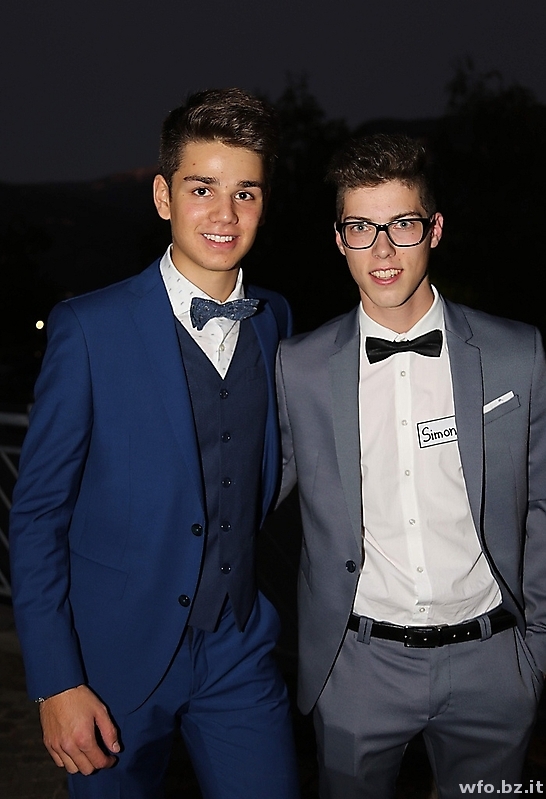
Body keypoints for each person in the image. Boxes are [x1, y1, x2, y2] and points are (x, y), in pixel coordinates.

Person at [9, 88, 300, 799]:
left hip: (239, 645)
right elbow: (38, 516)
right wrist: (56, 680)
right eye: (203, 189)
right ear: (164, 196)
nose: (225, 214)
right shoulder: (88, 329)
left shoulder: (276, 319)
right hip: (113, 663)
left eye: (245, 193)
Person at [275, 132, 546, 798]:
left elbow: (542, 505)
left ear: (435, 229)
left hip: (494, 665)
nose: (383, 250)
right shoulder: (298, 368)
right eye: (361, 228)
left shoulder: (517, 354)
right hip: (358, 669)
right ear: (339, 239)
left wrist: (535, 649)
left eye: (402, 224)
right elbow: (243, 501)